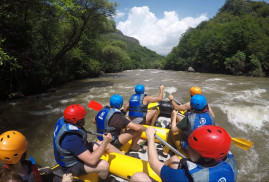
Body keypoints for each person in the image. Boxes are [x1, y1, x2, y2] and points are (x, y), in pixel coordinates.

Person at [130, 125, 237, 182]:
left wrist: (150, 137)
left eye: (193, 148)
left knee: (138, 177)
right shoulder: (229, 163)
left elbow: (153, 163)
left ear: (207, 158)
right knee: (175, 159)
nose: (187, 148)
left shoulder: (183, 178)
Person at [53, 104, 123, 181]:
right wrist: (105, 142)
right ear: (79, 121)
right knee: (104, 165)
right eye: (82, 118)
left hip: (74, 151)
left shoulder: (64, 120)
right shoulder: (71, 138)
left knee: (102, 144)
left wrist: (105, 143)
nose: (84, 119)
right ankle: (103, 179)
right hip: (72, 165)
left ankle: (123, 156)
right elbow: (92, 161)